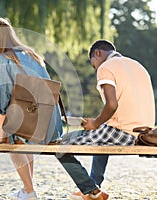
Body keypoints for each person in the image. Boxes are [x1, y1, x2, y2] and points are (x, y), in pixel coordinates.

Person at [0, 16, 63, 200]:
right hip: (49, 120)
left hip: (35, 123)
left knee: (12, 142)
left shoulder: (3, 58)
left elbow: (5, 100)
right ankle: (27, 190)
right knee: (21, 140)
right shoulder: (30, 53)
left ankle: (29, 191)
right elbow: (30, 90)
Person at [64, 39, 155, 199]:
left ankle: (90, 189)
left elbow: (112, 105)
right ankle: (94, 187)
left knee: (60, 144)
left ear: (97, 53)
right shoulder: (137, 65)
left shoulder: (106, 67)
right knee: (102, 133)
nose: (96, 69)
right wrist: (98, 123)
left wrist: (95, 123)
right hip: (146, 132)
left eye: (94, 65)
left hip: (124, 132)